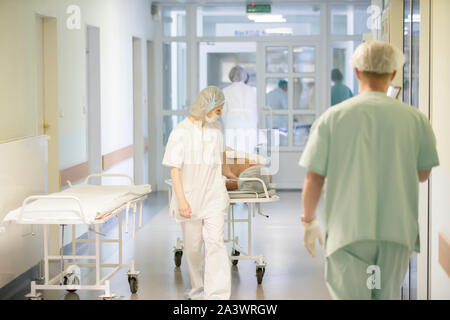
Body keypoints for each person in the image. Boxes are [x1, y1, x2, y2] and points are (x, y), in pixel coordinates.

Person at [298, 41, 440, 300]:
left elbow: (314, 178)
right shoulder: (415, 119)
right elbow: (423, 174)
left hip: (348, 232)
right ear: (394, 74)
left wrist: (309, 221)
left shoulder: (334, 117)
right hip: (396, 232)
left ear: (356, 71)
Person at [162, 86, 238, 300]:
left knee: (216, 242)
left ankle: (218, 294)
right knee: (194, 248)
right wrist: (182, 200)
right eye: (219, 110)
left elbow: (220, 158)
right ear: (208, 106)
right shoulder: (181, 131)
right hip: (191, 198)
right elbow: (174, 168)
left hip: (214, 196)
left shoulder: (216, 130)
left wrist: (230, 174)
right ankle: (198, 288)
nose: (220, 115)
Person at [222, 66, 258, 154]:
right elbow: (255, 112)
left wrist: (226, 124)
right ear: (244, 76)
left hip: (233, 124)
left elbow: (223, 112)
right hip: (250, 124)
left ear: (231, 76)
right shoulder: (251, 91)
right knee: (247, 153)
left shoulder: (225, 91)